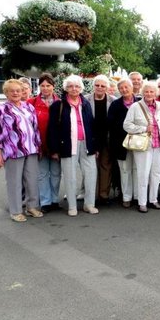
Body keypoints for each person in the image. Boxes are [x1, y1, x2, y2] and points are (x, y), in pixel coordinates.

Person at [0, 79, 42, 222]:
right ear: (6, 93)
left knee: (32, 180)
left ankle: (31, 207)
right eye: (12, 91)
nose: (15, 93)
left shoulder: (28, 107)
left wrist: (39, 146)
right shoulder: (1, 109)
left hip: (31, 150)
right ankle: (16, 211)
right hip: (13, 151)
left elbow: (35, 129)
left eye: (18, 90)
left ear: (22, 92)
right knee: (14, 182)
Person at [48, 75, 99, 217]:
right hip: (68, 145)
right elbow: (52, 129)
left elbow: (92, 126)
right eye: (70, 86)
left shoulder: (86, 103)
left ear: (81, 88)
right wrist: (54, 150)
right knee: (70, 176)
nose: (74, 89)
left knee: (90, 175)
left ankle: (89, 204)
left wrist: (94, 147)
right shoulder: (58, 105)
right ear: (66, 88)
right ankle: (72, 206)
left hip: (87, 144)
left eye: (77, 86)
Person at [123, 82, 160, 213]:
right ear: (142, 92)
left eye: (152, 91)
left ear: (155, 93)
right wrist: (143, 129)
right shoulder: (136, 106)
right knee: (143, 174)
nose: (149, 94)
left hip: (158, 144)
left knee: (156, 173)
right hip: (143, 145)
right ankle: (142, 202)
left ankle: (154, 199)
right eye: (146, 91)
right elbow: (127, 125)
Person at [27, 73, 60, 213]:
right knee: (42, 174)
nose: (45, 88)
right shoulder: (31, 103)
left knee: (56, 173)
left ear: (53, 86)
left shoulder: (60, 102)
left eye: (48, 85)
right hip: (39, 144)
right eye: (42, 86)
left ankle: (54, 200)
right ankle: (45, 201)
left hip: (56, 145)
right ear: (39, 86)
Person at [108, 78, 140, 208]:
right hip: (121, 143)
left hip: (139, 142)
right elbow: (110, 124)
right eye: (121, 88)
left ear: (132, 88)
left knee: (137, 169)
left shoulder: (140, 102)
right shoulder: (115, 105)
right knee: (125, 170)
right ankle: (126, 197)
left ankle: (138, 196)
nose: (124, 90)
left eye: (126, 87)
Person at [85, 74, 115, 204]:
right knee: (91, 168)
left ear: (107, 88)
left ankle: (103, 195)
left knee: (105, 167)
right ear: (93, 86)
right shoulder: (85, 101)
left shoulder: (113, 101)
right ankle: (91, 195)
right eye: (97, 85)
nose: (100, 88)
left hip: (107, 139)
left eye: (103, 86)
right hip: (91, 139)